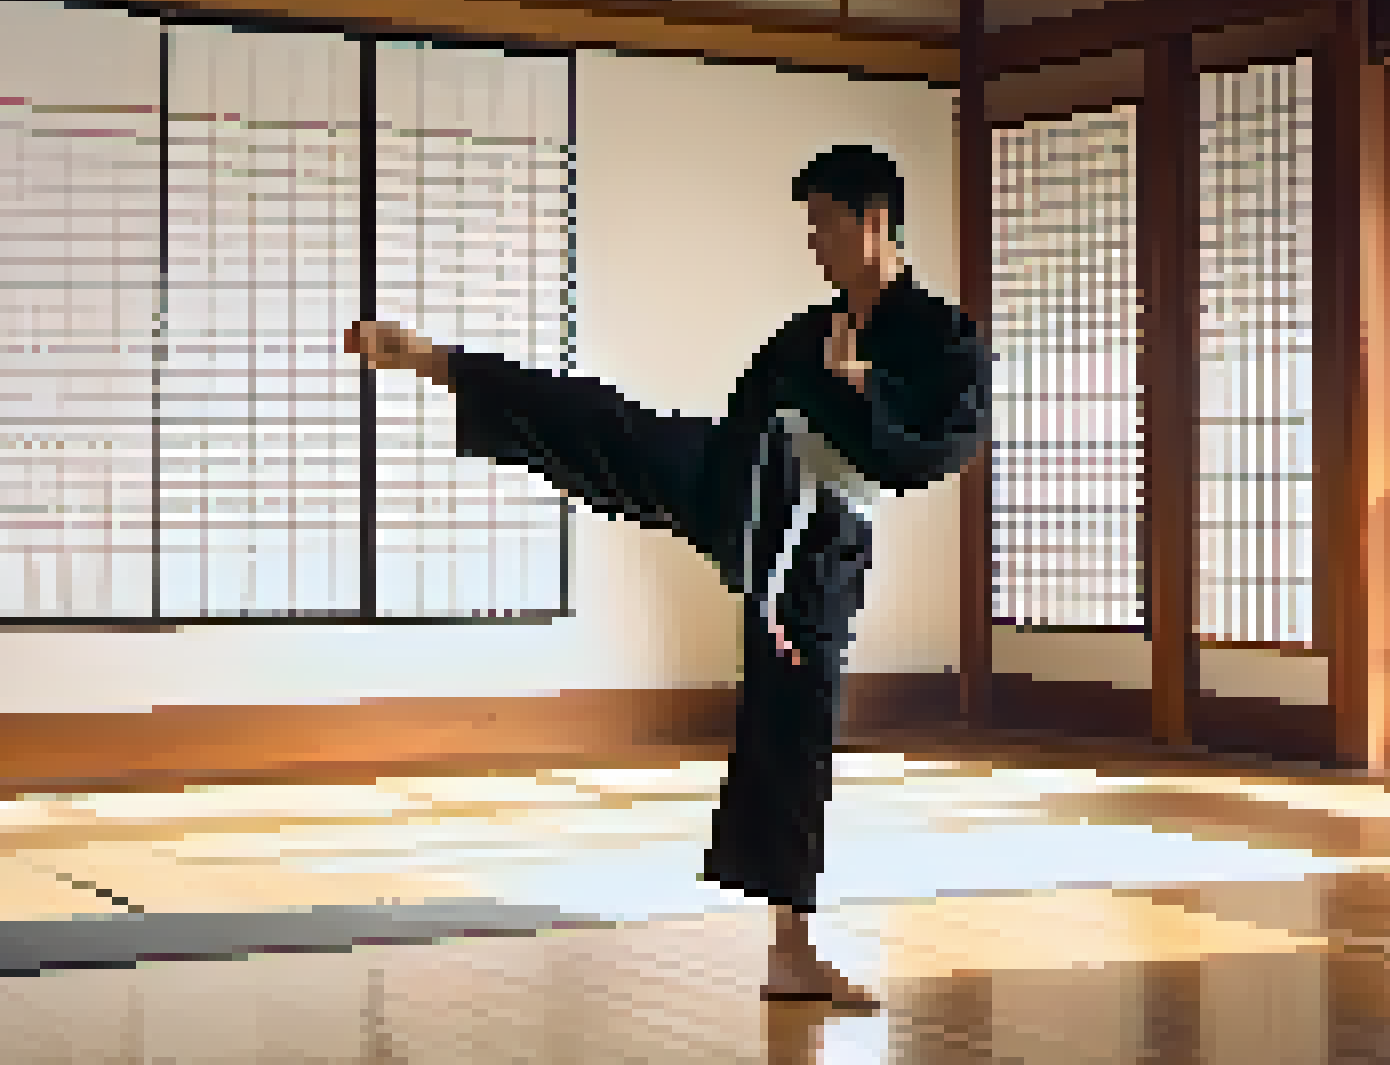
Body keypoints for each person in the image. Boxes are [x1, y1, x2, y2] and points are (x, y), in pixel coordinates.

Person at [344, 145, 988, 1009]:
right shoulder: (809, 329)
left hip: (821, 546)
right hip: (748, 487)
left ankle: (790, 950)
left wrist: (858, 387)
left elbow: (936, 447)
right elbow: (746, 415)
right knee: (613, 424)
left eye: (825, 224)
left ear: (874, 220)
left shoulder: (940, 336)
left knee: (793, 727)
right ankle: (440, 362)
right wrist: (738, 466)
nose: (815, 244)